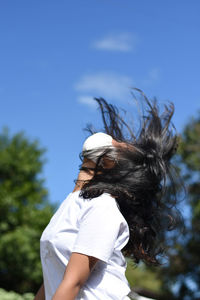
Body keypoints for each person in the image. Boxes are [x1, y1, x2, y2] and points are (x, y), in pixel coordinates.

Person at [34, 91, 180, 300]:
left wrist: (101, 149)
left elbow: (74, 281)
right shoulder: (74, 201)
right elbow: (54, 278)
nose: (115, 142)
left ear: (118, 169)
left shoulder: (103, 207)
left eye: (121, 147)